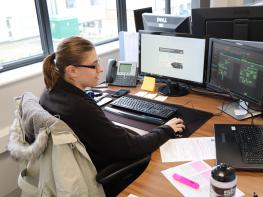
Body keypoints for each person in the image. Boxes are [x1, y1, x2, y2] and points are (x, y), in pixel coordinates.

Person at [40, 36, 185, 196]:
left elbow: (101, 131)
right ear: (72, 71)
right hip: (102, 169)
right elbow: (132, 148)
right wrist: (167, 129)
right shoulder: (81, 108)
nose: (101, 69)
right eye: (94, 65)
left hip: (75, 164)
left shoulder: (49, 92)